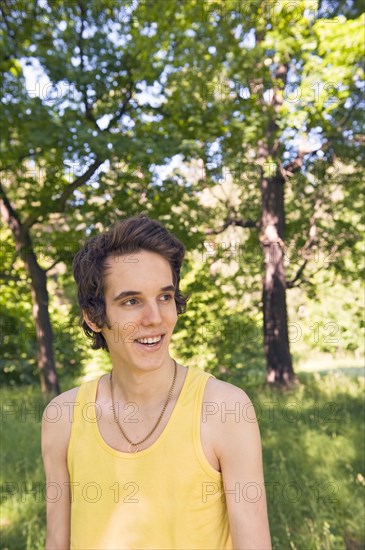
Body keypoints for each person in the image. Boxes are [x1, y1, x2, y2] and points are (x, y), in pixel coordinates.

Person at [42, 213, 272, 550]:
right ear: (93, 317)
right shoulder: (62, 417)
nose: (155, 318)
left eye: (164, 297)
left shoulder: (225, 410)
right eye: (132, 301)